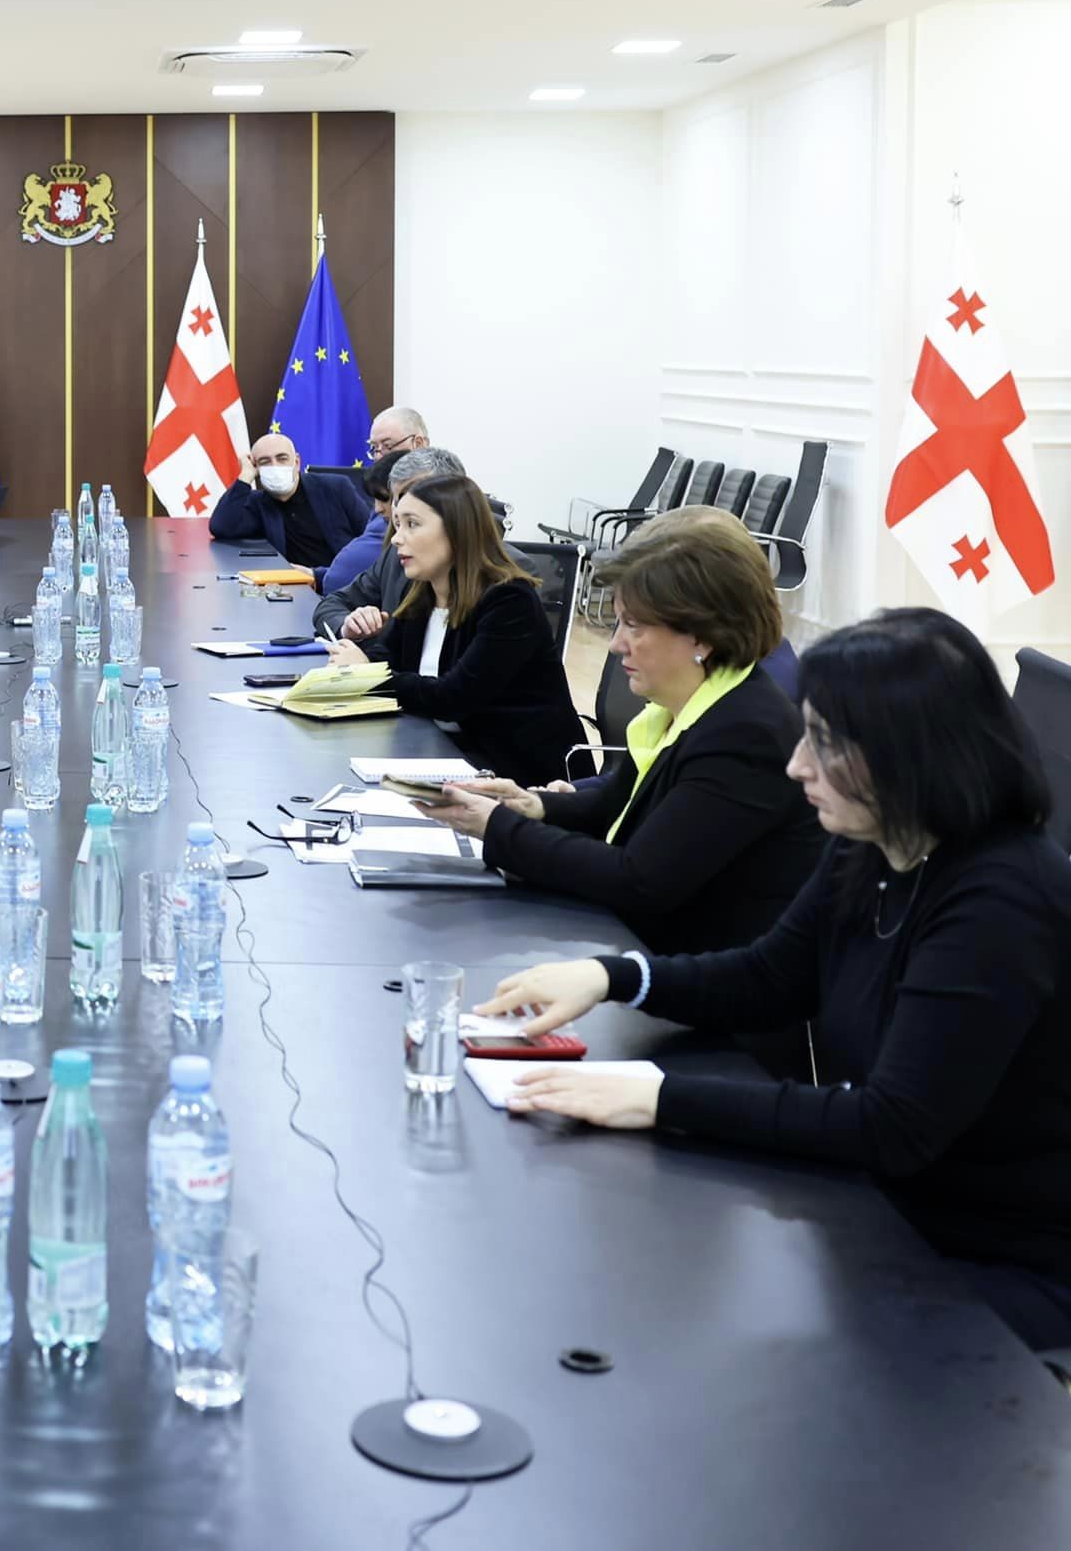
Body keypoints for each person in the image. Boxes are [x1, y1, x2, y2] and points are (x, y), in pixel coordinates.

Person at [475, 607, 1071, 1353]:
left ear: (912, 754)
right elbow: (768, 977)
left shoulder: (1000, 900)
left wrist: (657, 1097)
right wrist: (612, 975)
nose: (798, 767)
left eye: (826, 744)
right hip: (881, 1212)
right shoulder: (874, 842)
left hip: (992, 1259)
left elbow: (891, 1126)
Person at [422, 508, 825, 953]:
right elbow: (619, 801)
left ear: (703, 635)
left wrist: (498, 827)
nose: (615, 644)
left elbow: (639, 879)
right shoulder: (684, 706)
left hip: (696, 974)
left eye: (633, 624)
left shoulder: (745, 734)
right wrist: (533, 805)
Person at [315, 472, 584, 785]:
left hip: (518, 775)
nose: (397, 538)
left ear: (457, 531)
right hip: (442, 754)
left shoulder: (510, 600)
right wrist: (356, 657)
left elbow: (454, 698)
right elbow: (385, 657)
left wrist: (366, 675)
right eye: (397, 524)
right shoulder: (421, 592)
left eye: (412, 524)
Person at [319, 446, 469, 597]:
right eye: (396, 501)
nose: (395, 539)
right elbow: (338, 601)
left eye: (412, 523)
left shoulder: (484, 595)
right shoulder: (392, 555)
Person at [207, 431, 370, 568]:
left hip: (342, 582)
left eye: (282, 458)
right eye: (265, 462)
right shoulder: (257, 504)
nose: (275, 466)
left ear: (296, 462)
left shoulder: (335, 487)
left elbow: (370, 534)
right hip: (295, 587)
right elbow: (220, 527)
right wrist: (245, 476)